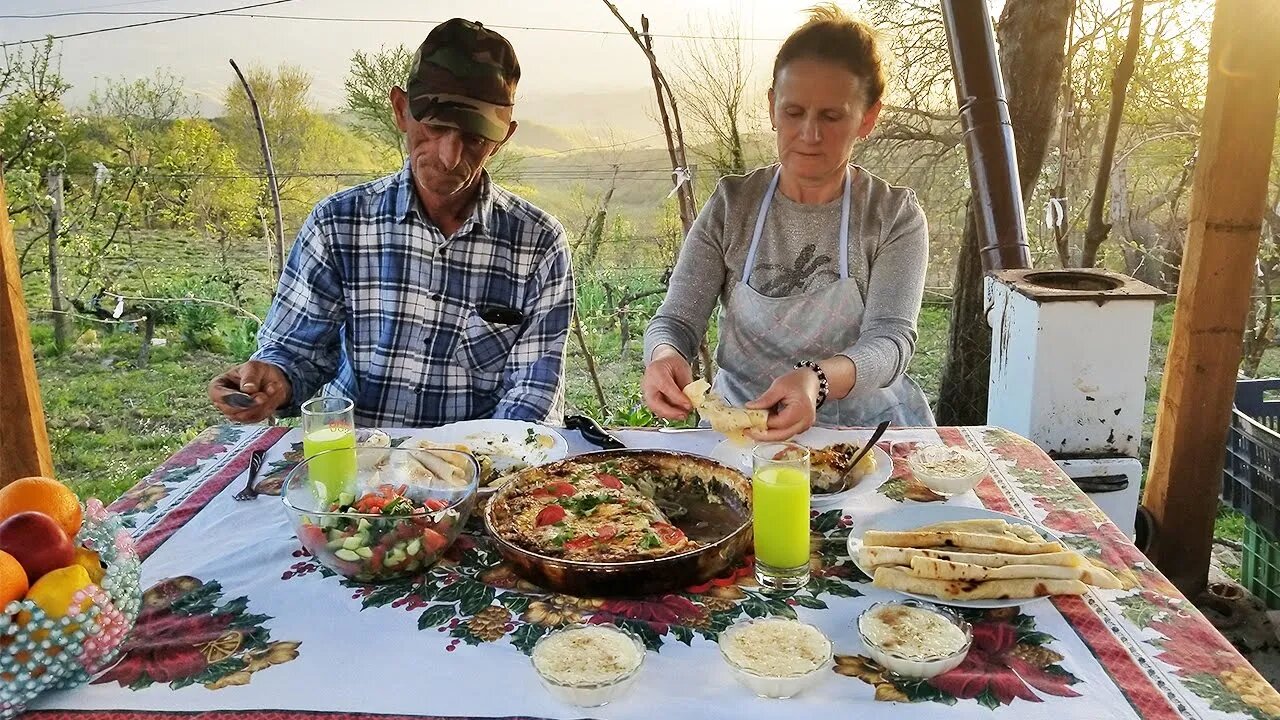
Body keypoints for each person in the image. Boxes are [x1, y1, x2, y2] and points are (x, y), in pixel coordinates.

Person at [208, 18, 574, 427]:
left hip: (479, 467)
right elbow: (295, 351)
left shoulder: (538, 243)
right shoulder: (338, 225)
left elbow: (532, 392)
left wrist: (491, 467)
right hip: (357, 459)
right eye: (434, 127)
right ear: (401, 110)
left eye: (475, 138)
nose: (449, 156)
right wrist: (270, 381)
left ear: (504, 136)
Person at [642, 5, 934, 441]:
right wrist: (663, 356)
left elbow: (891, 343)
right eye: (794, 112)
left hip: (860, 437)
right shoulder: (732, 205)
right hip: (739, 430)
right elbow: (677, 320)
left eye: (831, 116)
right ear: (772, 107)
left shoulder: (892, 216)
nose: (809, 134)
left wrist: (814, 379)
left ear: (868, 118)